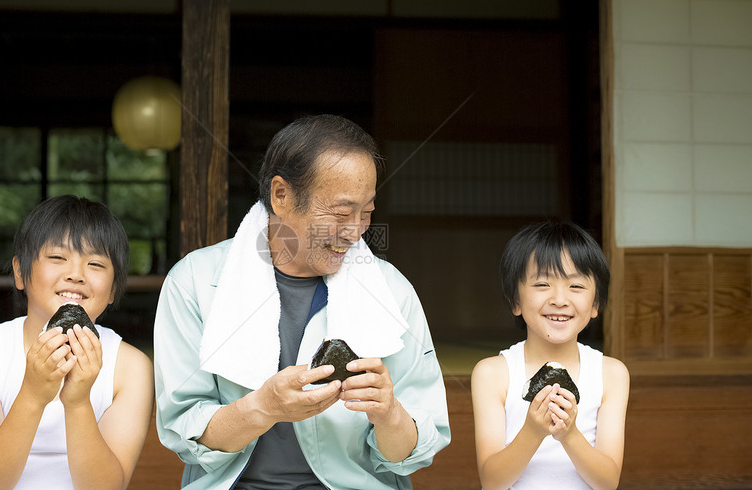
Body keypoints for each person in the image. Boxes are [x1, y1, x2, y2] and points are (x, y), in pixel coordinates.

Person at [154, 114, 450, 489]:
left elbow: (414, 454)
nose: (356, 231)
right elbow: (185, 434)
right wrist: (264, 407)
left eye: (368, 212)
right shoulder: (195, 282)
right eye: (342, 213)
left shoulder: (392, 291)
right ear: (281, 195)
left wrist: (389, 413)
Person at [0, 195, 154, 489]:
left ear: (114, 289)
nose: (76, 275)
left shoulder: (130, 367)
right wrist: (32, 394)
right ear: (20, 271)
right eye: (58, 258)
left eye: (95, 263)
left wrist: (78, 403)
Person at [471, 221, 630, 489]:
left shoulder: (611, 374)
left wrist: (569, 435)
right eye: (542, 284)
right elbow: (491, 482)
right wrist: (532, 432)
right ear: (515, 301)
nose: (559, 299)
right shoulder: (493, 374)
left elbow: (608, 482)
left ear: (596, 305)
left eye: (576, 287)